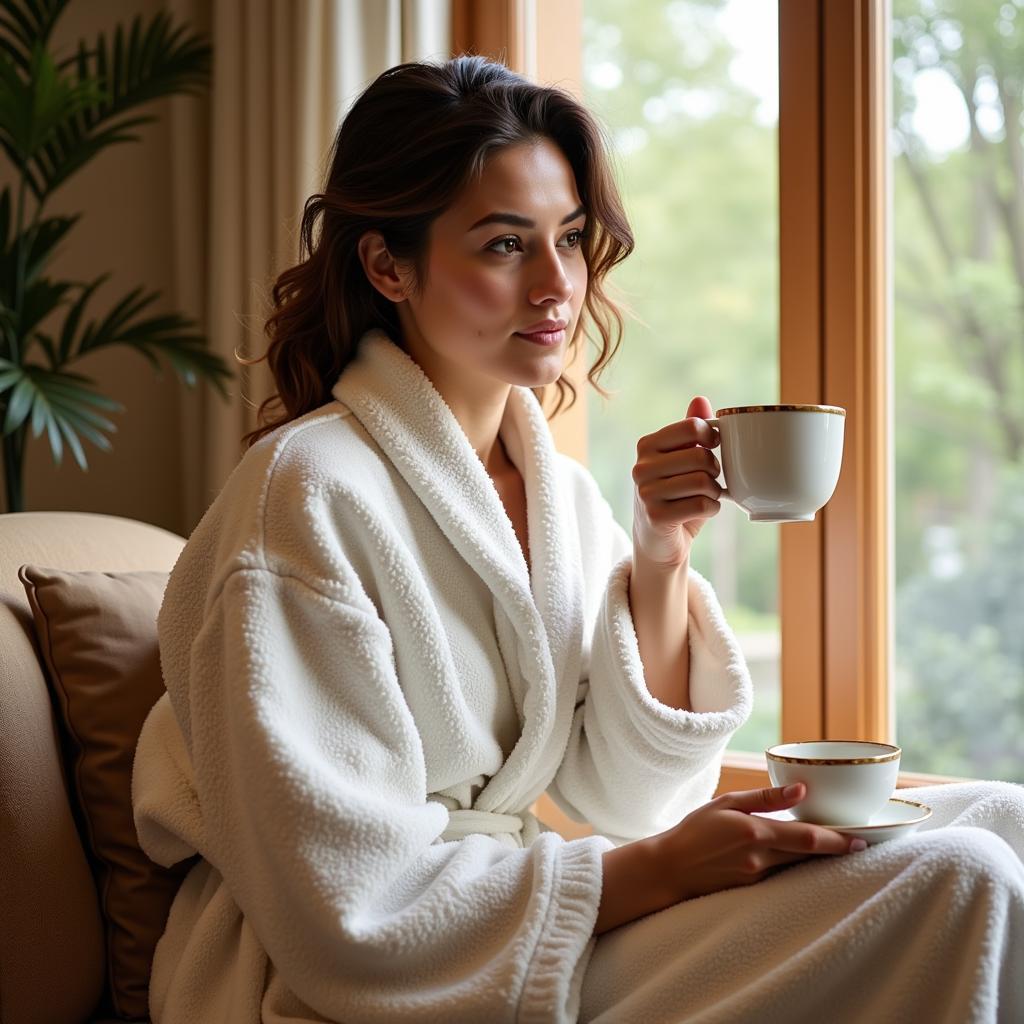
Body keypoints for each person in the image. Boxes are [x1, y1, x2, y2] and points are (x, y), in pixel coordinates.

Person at [131, 55, 1024, 1024]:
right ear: (388, 264)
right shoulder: (304, 493)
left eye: (569, 238)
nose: (558, 285)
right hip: (366, 972)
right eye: (505, 245)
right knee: (959, 872)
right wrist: (655, 871)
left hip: (516, 909)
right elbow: (344, 903)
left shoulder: (552, 488)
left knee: (1005, 817)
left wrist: (659, 554)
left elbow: (627, 792)